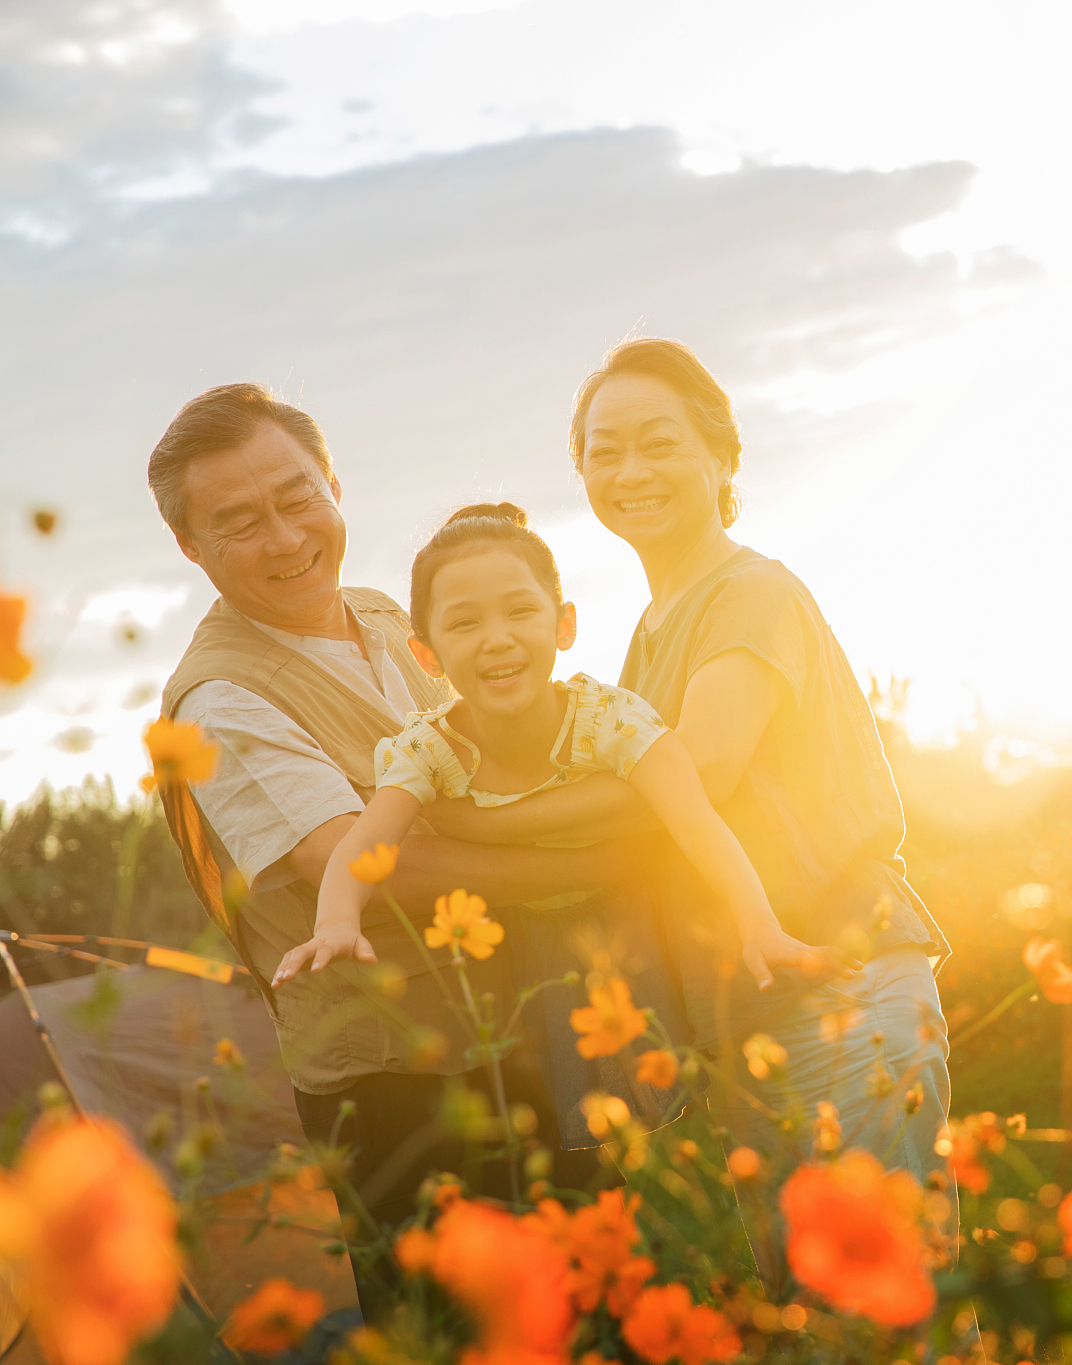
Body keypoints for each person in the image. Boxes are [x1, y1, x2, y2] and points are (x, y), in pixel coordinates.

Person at [449, 338, 955, 1293]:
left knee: (888, 1309)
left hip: (836, 981)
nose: (629, 470)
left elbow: (705, 770)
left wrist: (481, 825)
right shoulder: (649, 633)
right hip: (755, 1006)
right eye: (604, 451)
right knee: (814, 1311)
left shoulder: (748, 592)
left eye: (659, 442)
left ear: (722, 457)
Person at [148, 384, 639, 1318]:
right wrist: (594, 865)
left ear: (334, 483)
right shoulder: (217, 701)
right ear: (191, 546)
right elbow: (374, 865)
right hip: (399, 1094)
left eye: (298, 498)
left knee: (589, 1317)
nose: (287, 538)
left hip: (521, 1032)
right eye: (240, 521)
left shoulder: (384, 617)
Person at [271, 502, 832, 1144]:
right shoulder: (428, 751)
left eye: (520, 611)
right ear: (427, 655)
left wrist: (756, 919)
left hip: (645, 908)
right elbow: (363, 844)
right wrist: (336, 923)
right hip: (533, 932)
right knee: (600, 1119)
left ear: (563, 625)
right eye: (464, 623)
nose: (498, 638)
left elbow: (696, 820)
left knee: (703, 1085)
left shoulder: (610, 721)